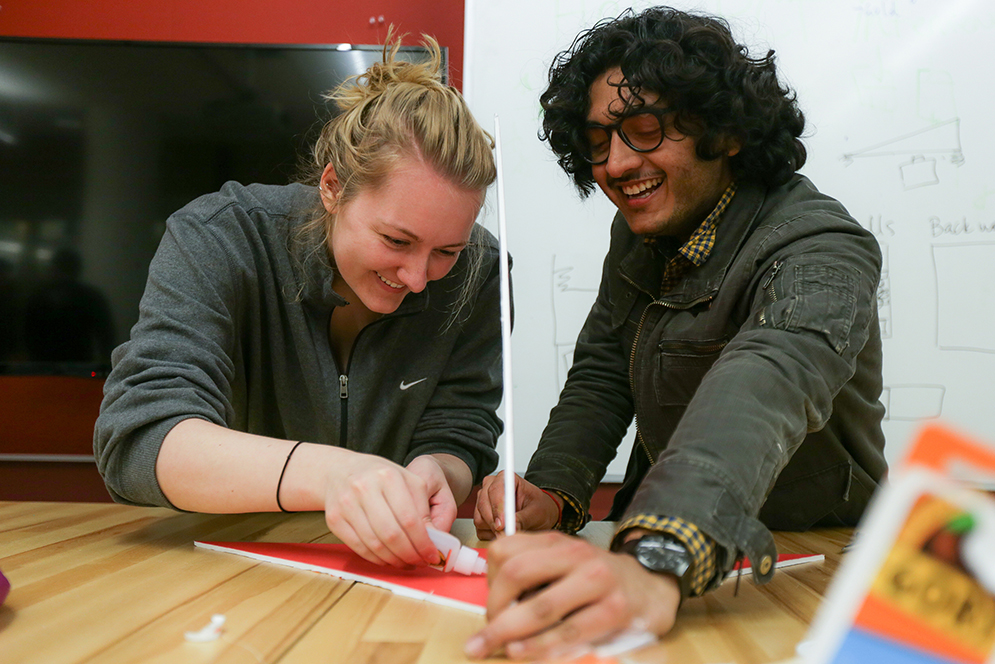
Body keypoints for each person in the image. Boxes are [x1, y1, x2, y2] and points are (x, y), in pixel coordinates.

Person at [467, 7, 886, 660]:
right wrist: (550, 489)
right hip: (653, 547)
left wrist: (657, 554)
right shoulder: (638, 235)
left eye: (641, 130)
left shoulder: (820, 247)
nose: (613, 164)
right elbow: (604, 372)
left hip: (810, 558)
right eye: (598, 141)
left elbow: (765, 381)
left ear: (725, 132)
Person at [94, 33, 504, 571]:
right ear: (333, 188)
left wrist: (438, 471)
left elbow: (462, 422)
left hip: (389, 572)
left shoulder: (481, 269)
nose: (419, 278)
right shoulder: (220, 236)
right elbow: (139, 439)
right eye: (396, 241)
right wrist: (330, 475)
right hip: (223, 564)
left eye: (447, 250)